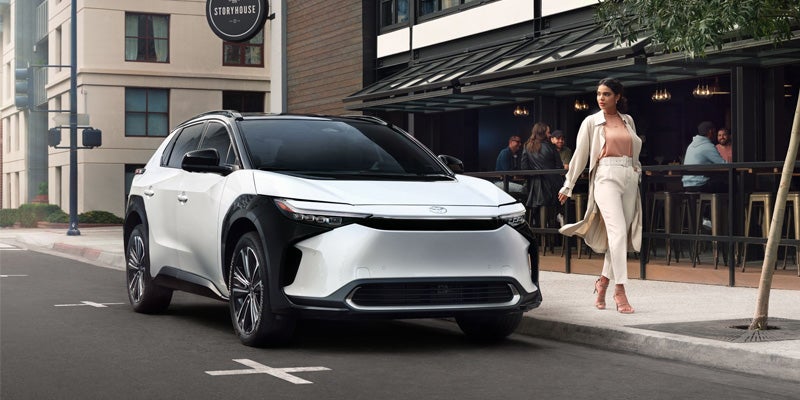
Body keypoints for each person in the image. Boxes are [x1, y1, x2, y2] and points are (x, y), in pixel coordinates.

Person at [557, 77, 642, 314]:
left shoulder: (628, 120)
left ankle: (602, 282)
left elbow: (633, 150)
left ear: (617, 97)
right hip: (606, 176)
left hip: (629, 177)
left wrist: (636, 170)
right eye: (598, 94)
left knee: (619, 237)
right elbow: (580, 155)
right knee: (617, 232)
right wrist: (568, 184)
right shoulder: (591, 122)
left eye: (606, 94)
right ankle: (620, 290)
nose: (601, 98)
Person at [522, 122, 563, 227]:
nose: (549, 135)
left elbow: (524, 169)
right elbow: (559, 167)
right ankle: (554, 232)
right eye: (548, 132)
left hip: (534, 190)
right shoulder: (550, 147)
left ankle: (539, 234)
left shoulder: (527, 146)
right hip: (552, 188)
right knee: (560, 205)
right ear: (543, 133)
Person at [682, 121, 728, 193]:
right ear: (710, 132)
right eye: (715, 131)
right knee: (731, 184)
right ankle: (735, 204)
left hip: (686, 185)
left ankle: (711, 204)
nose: (715, 134)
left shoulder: (690, 145)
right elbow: (724, 165)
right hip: (700, 185)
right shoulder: (707, 145)